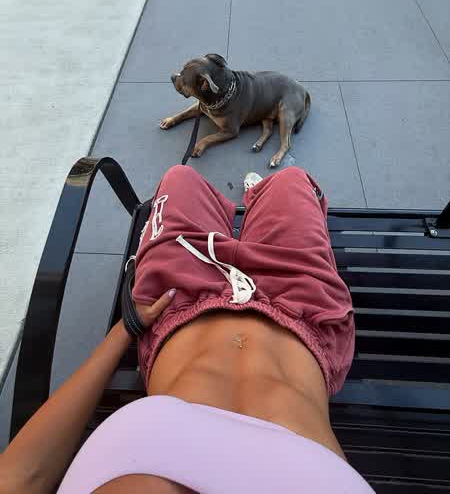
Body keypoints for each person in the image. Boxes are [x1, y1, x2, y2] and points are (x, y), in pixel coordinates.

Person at [0, 166, 374, 493]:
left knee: (181, 178)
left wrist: (127, 327)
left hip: (178, 306)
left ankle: (250, 210)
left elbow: (23, 474)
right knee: (291, 181)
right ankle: (259, 198)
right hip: (300, 312)